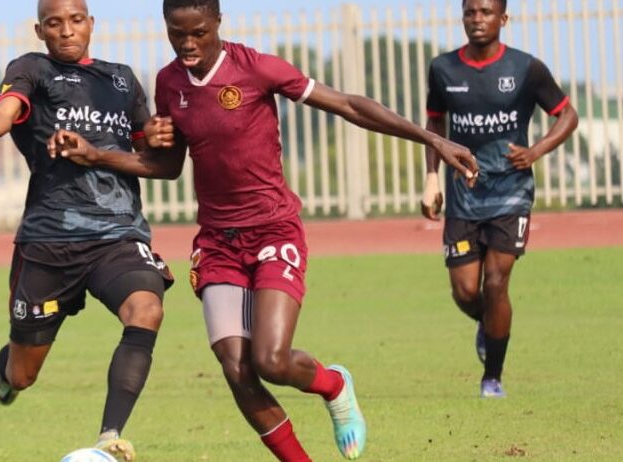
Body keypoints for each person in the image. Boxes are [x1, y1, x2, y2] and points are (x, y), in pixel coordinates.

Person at [49, 1, 479, 460]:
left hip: (274, 231)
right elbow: (169, 166)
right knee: (236, 368)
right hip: (217, 243)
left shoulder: (257, 68)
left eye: (198, 32)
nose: (188, 44)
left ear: (218, 22)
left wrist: (432, 139)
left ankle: (334, 385)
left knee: (271, 360)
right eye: (177, 33)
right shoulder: (169, 82)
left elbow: (349, 104)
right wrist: (98, 155)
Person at [0, 1, 173, 460]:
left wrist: (158, 138)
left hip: (118, 235)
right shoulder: (31, 69)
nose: (66, 31)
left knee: (146, 310)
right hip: (49, 242)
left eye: (76, 20)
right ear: (40, 30)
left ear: (91, 24)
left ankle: (109, 437)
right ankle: (5, 373)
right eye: (54, 23)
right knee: (23, 375)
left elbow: (149, 155)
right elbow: (4, 114)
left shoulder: (121, 79)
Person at [421, 0, 577, 398]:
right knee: (465, 292)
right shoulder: (443, 69)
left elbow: (568, 115)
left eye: (486, 12)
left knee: (495, 282)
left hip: (511, 192)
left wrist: (536, 151)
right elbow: (435, 123)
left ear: (503, 18)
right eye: (471, 12)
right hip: (463, 194)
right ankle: (488, 324)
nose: (477, 19)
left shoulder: (526, 68)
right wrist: (431, 178)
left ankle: (492, 377)